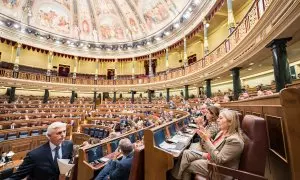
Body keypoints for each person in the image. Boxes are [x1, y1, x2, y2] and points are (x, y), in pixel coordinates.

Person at [171, 109, 244, 180]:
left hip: (219, 170)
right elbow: (214, 146)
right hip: (211, 157)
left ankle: (175, 178)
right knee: (186, 153)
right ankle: (175, 177)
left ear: (230, 122)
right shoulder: (222, 132)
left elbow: (219, 159)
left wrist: (206, 139)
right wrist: (205, 136)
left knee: (186, 165)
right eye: (218, 117)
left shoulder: (235, 140)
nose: (217, 120)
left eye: (221, 118)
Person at [8, 122, 73, 180]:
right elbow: (17, 176)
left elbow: (69, 159)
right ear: (49, 136)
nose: (63, 135)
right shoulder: (34, 155)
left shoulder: (69, 145)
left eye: (64, 131)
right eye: (59, 133)